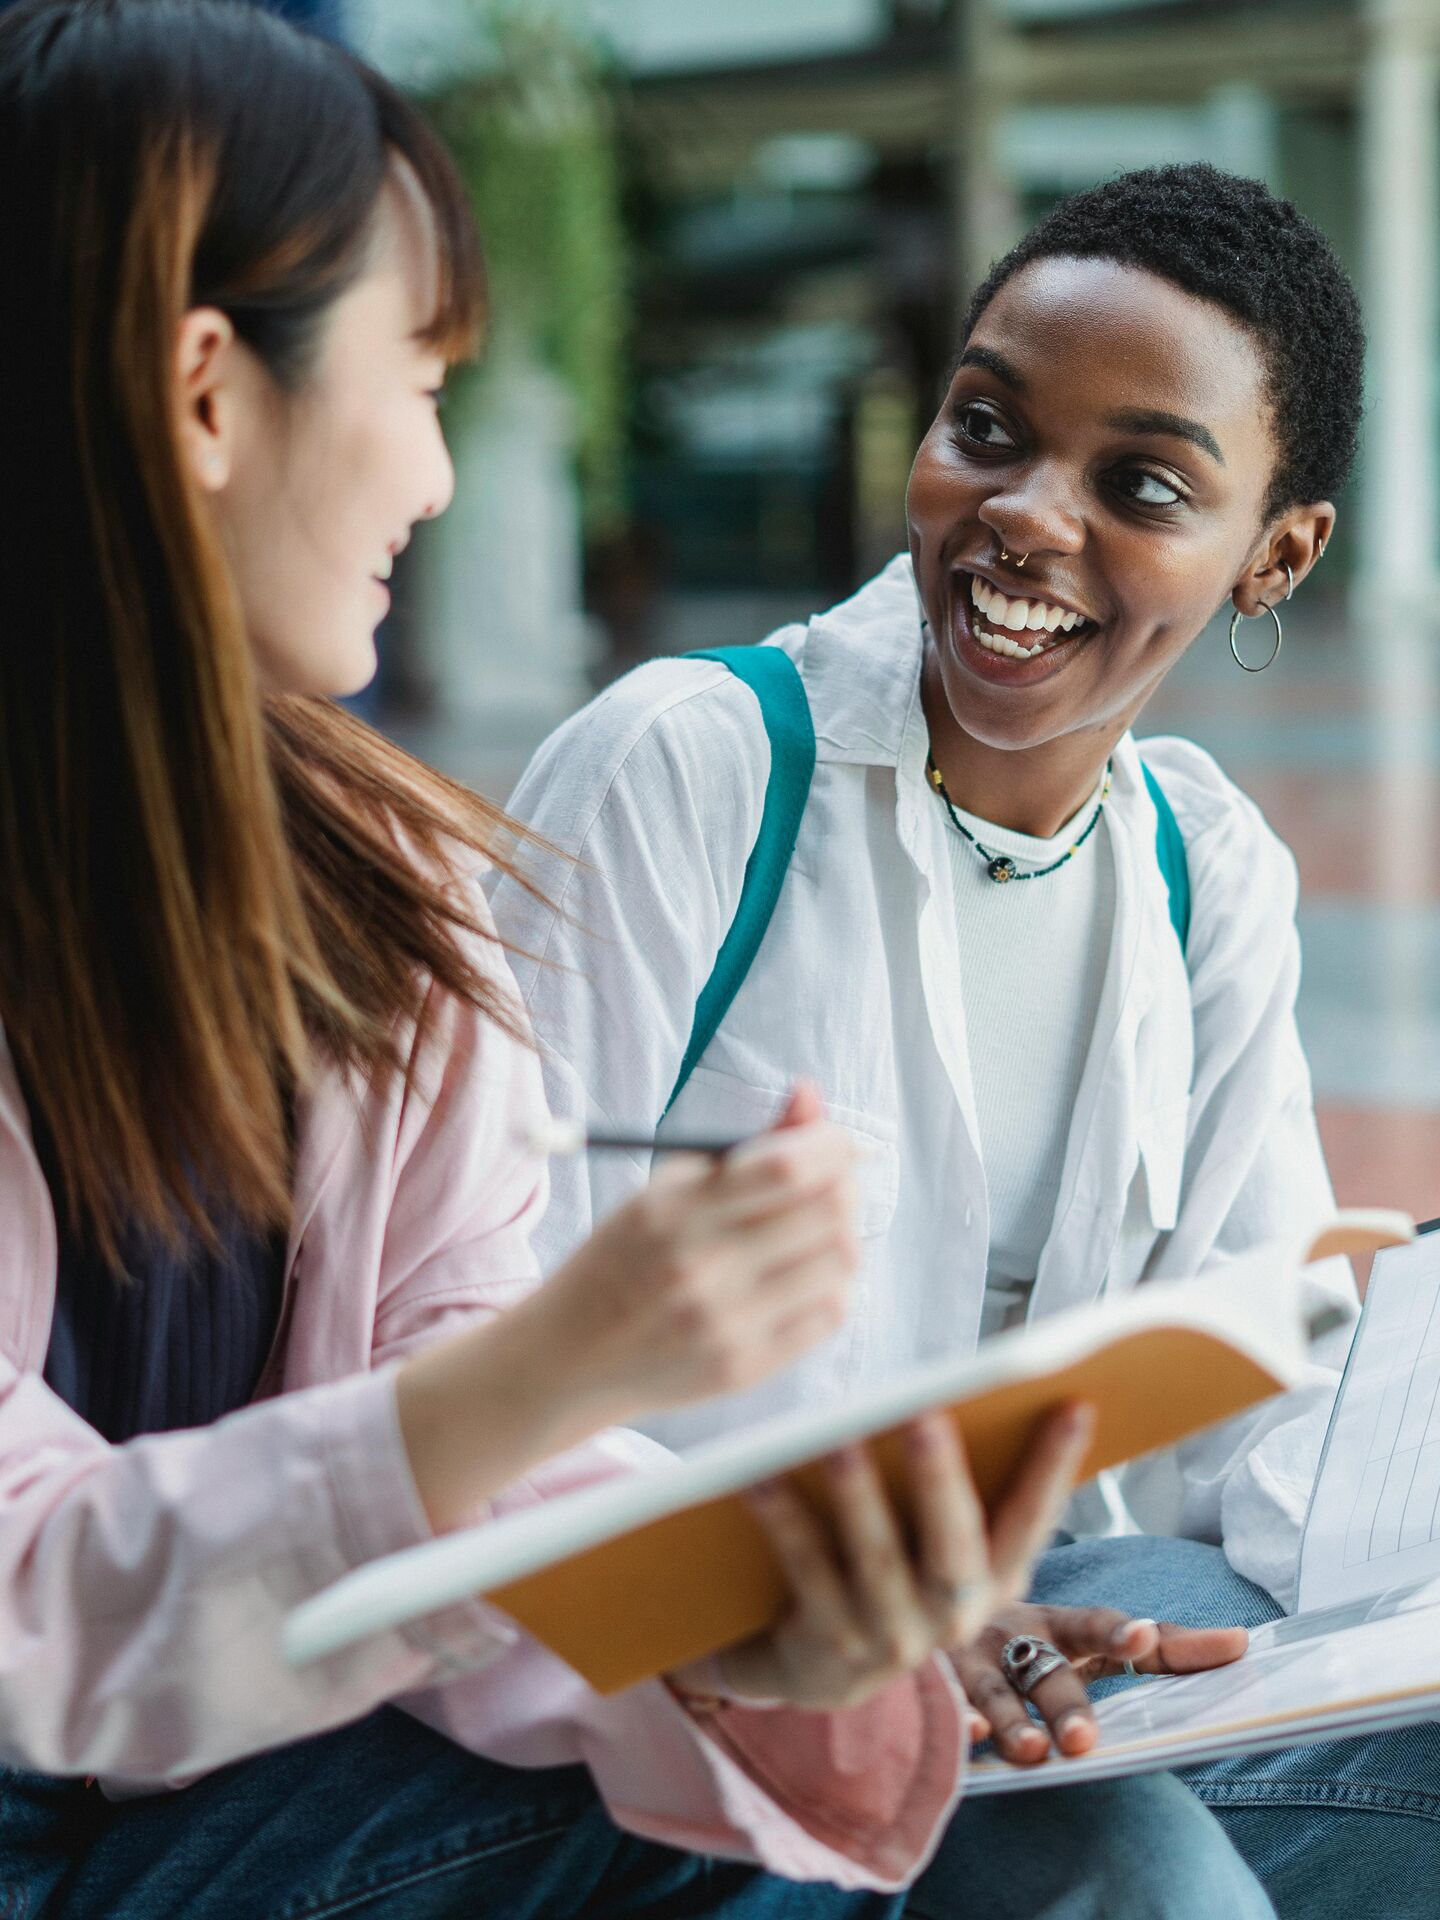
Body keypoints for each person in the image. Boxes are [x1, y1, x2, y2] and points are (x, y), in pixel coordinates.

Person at [0, 3, 1129, 1915]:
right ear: (209, 392)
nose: (437, 483)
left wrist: (761, 1633)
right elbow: (40, 1618)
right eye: (422, 382)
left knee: (1100, 1821)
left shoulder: (381, 894)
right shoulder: (671, 765)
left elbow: (487, 1455)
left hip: (246, 1797)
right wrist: (558, 1366)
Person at [491, 163, 1440, 1917]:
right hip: (672, 1695)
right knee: (1136, 1874)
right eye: (988, 429)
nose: (1024, 515)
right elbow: (479, 1361)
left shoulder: (1201, 871)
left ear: (1276, 555)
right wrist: (858, 1612)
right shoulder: (689, 774)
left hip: (1010, 1664)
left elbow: (1262, 1401)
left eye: (1141, 484)